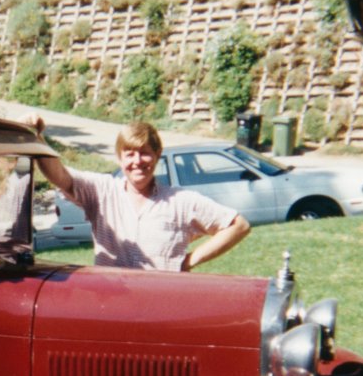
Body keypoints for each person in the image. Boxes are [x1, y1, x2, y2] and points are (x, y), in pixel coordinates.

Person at [31, 117, 250, 272]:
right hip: (110, 303)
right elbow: (59, 175)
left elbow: (238, 226)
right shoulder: (101, 191)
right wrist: (36, 137)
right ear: (119, 158)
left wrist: (189, 261)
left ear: (157, 155)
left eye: (145, 153)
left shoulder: (181, 201)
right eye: (130, 154)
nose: (137, 161)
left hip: (159, 307)